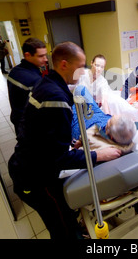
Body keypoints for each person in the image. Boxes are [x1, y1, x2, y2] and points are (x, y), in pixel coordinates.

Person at [8, 41, 121, 240]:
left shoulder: (46, 82)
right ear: (63, 64)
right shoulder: (56, 99)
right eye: (80, 67)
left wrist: (69, 143)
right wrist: (98, 155)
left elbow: (44, 132)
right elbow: (58, 159)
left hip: (28, 162)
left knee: (66, 217)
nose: (84, 72)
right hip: (34, 178)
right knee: (65, 231)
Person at [71, 85, 136, 153]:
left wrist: (78, 143)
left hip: (78, 124)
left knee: (69, 99)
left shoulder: (96, 140)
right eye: (111, 117)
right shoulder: (126, 131)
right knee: (80, 89)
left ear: (110, 136)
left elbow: (78, 149)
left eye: (109, 122)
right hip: (97, 112)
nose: (110, 118)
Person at [7, 38, 48, 135]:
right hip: (30, 127)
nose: (45, 59)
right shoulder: (33, 80)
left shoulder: (15, 71)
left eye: (45, 55)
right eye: (41, 56)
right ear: (27, 55)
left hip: (18, 120)